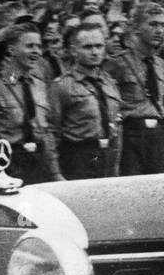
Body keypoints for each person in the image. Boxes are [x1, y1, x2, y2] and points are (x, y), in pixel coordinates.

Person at [0, 23, 61, 184]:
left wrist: (55, 172)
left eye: (38, 46)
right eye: (30, 46)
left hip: (40, 163)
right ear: (11, 50)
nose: (36, 51)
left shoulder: (41, 86)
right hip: (11, 163)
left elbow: (46, 133)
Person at [48, 23, 123, 180]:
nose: (95, 52)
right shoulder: (62, 86)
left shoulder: (109, 82)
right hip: (79, 157)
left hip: (108, 155)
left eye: (99, 46)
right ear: (74, 50)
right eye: (88, 47)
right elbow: (51, 132)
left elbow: (117, 126)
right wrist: (55, 173)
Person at [108, 2, 164, 175]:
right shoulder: (117, 63)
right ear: (136, 28)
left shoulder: (163, 65)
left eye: (162, 25)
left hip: (159, 135)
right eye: (152, 24)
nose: (159, 30)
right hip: (132, 135)